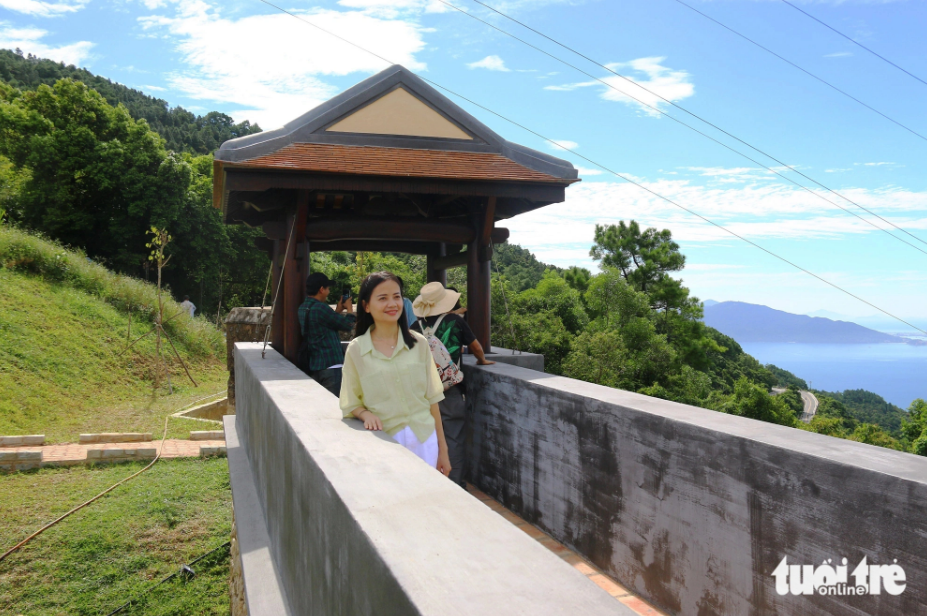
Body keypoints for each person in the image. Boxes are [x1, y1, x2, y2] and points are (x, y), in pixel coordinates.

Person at [340, 272, 452, 475]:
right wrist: (365, 414)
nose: (392, 303)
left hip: (425, 439)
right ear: (366, 306)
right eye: (382, 298)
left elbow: (432, 400)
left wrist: (442, 450)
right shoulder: (357, 349)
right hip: (386, 443)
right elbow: (350, 402)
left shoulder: (419, 343)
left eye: (397, 296)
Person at [411, 282, 494, 488]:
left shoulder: (414, 327)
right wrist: (482, 360)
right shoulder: (455, 321)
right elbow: (475, 346)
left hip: (420, 392)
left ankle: (429, 483)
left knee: (426, 438)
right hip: (449, 391)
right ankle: (454, 485)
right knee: (453, 438)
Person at [298, 272, 355, 397]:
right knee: (334, 404)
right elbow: (347, 326)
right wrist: (350, 310)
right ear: (321, 289)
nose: (329, 291)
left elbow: (325, 323)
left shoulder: (303, 308)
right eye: (328, 288)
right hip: (331, 365)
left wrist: (338, 310)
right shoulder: (321, 308)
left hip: (315, 364)